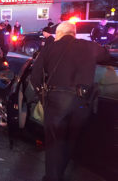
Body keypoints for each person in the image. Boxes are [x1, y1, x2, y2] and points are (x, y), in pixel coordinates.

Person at [30, 21, 110, 181]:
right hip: (82, 102)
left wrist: (42, 97)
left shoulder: (50, 48)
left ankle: (53, 177)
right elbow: (106, 55)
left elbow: (35, 77)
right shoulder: (89, 46)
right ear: (74, 33)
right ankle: (60, 173)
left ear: (59, 34)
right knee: (70, 141)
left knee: (54, 143)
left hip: (56, 101)